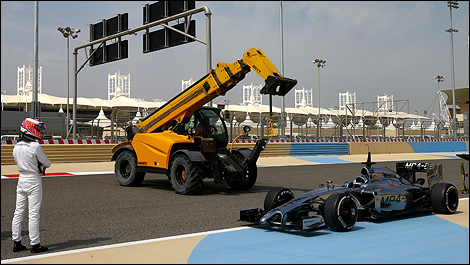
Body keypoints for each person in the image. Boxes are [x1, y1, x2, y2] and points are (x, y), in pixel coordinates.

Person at [12, 118, 51, 254]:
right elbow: (47, 163)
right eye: (38, 129)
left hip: (21, 179)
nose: (39, 132)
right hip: (33, 180)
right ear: (30, 129)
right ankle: (35, 244)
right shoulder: (35, 146)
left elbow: (17, 161)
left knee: (18, 212)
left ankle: (16, 242)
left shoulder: (16, 146)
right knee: (33, 214)